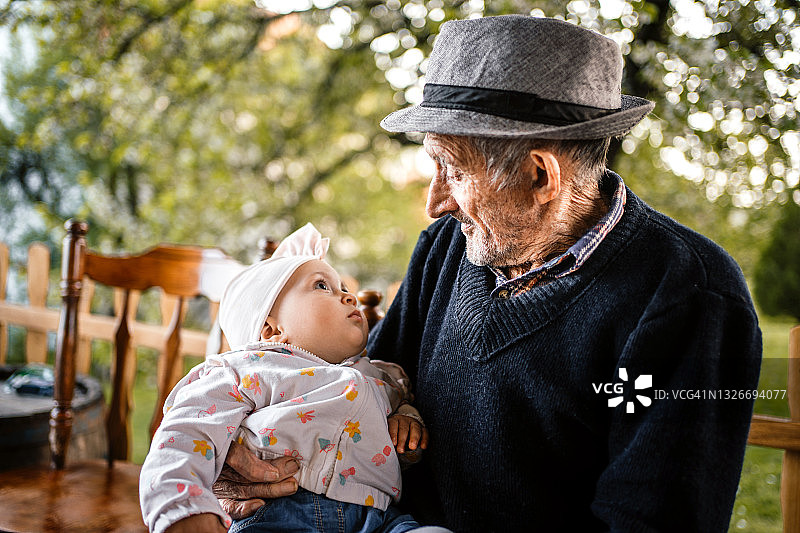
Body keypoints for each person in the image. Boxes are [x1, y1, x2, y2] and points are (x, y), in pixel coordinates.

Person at [213, 15, 763, 532]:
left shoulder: (690, 298)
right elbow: (354, 390)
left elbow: (650, 521)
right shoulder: (451, 244)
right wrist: (238, 446)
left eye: (452, 169)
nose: (434, 202)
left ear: (539, 174)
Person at [139, 223, 432, 533]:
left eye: (345, 289)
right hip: (279, 514)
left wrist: (406, 420)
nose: (348, 298)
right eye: (322, 286)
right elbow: (186, 432)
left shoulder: (379, 376)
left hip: (376, 519)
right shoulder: (250, 368)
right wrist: (184, 510)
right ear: (272, 330)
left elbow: (404, 419)